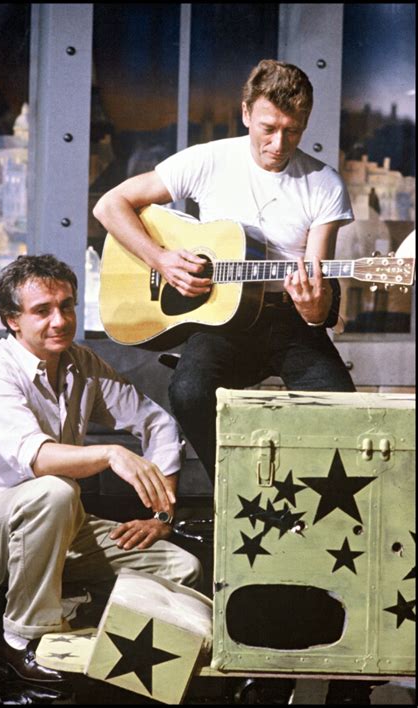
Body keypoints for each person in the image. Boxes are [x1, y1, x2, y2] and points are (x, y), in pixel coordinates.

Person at [93, 59, 378, 705]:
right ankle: (244, 505)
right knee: (189, 392)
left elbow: (322, 299)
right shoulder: (205, 161)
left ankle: (324, 532)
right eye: (268, 128)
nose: (279, 144)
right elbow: (111, 205)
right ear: (248, 114)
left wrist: (313, 305)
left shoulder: (323, 183)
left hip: (286, 322)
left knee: (341, 408)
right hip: (220, 323)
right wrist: (162, 257)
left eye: (292, 130)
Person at [0, 254, 201, 690]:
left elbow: (155, 422)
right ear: (12, 320)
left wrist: (162, 514)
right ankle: (19, 641)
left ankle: (79, 615)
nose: (59, 320)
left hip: (63, 526)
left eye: (67, 306)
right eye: (42, 310)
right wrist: (111, 455)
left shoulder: (81, 363)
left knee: (180, 566)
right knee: (56, 489)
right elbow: (38, 458)